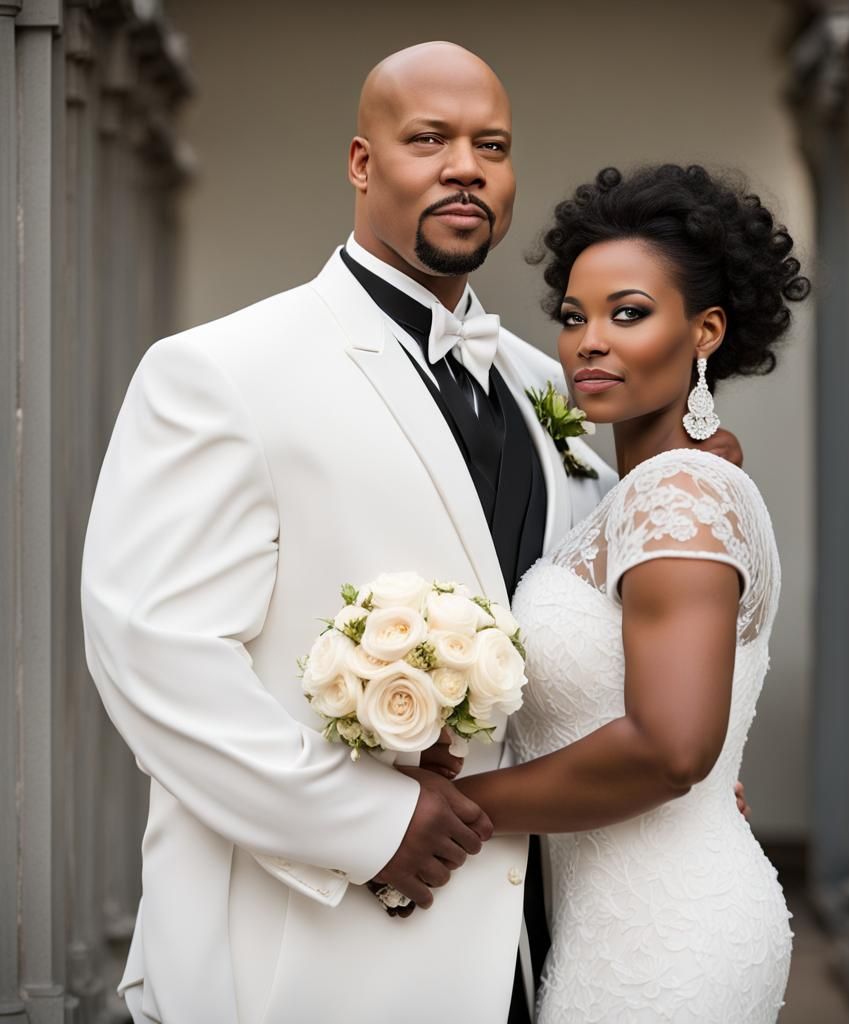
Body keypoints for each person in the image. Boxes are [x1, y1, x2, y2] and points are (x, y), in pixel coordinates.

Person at [81, 42, 742, 1024]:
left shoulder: (545, 385)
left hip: (534, 934)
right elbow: (155, 653)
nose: (465, 165)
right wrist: (368, 820)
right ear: (361, 163)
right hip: (308, 940)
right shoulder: (221, 372)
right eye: (428, 139)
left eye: (492, 144)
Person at [447, 164, 810, 1023]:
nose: (589, 342)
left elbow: (671, 750)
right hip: (617, 915)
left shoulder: (676, 492)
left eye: (629, 313)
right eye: (575, 317)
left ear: (705, 331)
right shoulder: (658, 490)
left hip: (668, 934)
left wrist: (454, 811)